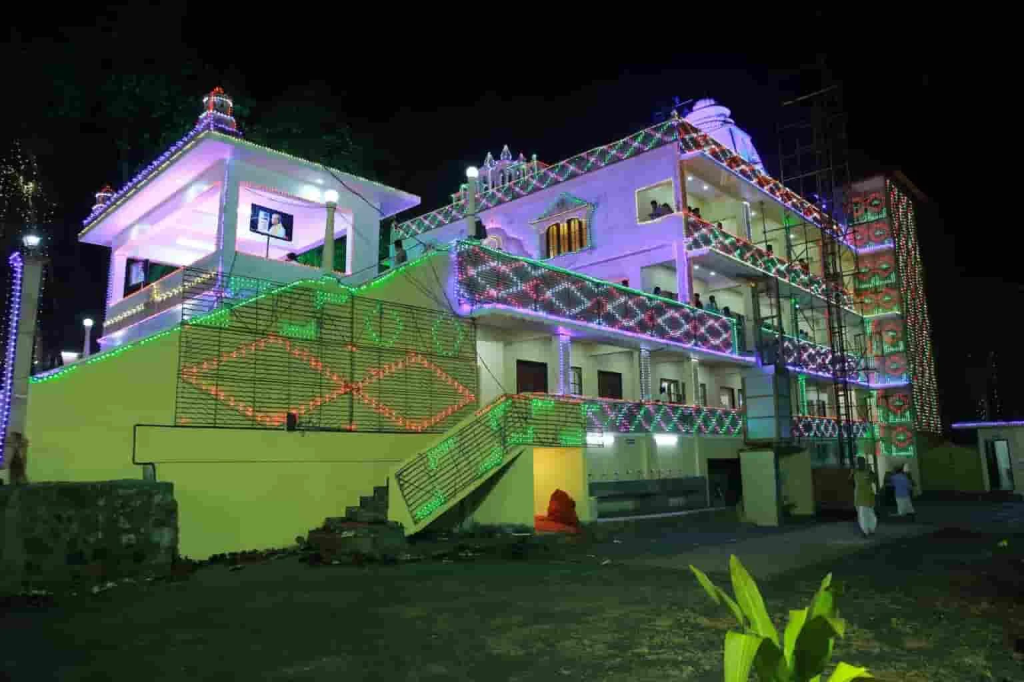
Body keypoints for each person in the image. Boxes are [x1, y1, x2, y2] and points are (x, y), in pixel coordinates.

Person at [850, 457, 877, 538]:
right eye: (858, 462)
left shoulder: (868, 471)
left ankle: (871, 529)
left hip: (868, 495)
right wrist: (852, 473)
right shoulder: (854, 471)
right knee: (862, 514)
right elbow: (850, 482)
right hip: (860, 496)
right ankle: (865, 531)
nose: (859, 463)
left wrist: (871, 474)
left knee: (870, 514)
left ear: (864, 462)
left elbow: (875, 479)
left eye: (861, 462)